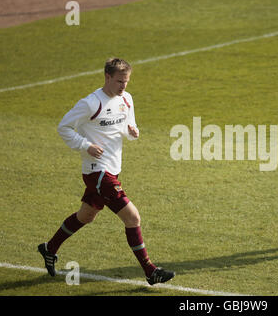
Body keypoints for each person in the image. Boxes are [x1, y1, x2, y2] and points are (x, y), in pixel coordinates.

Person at [38, 58, 175, 285]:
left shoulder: (126, 99)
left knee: (86, 215)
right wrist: (86, 145)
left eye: (127, 81)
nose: (123, 86)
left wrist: (133, 132)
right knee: (133, 218)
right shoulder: (91, 103)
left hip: (112, 169)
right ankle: (151, 271)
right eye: (120, 81)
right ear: (107, 77)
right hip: (97, 172)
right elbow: (64, 127)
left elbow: (128, 130)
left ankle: (49, 248)